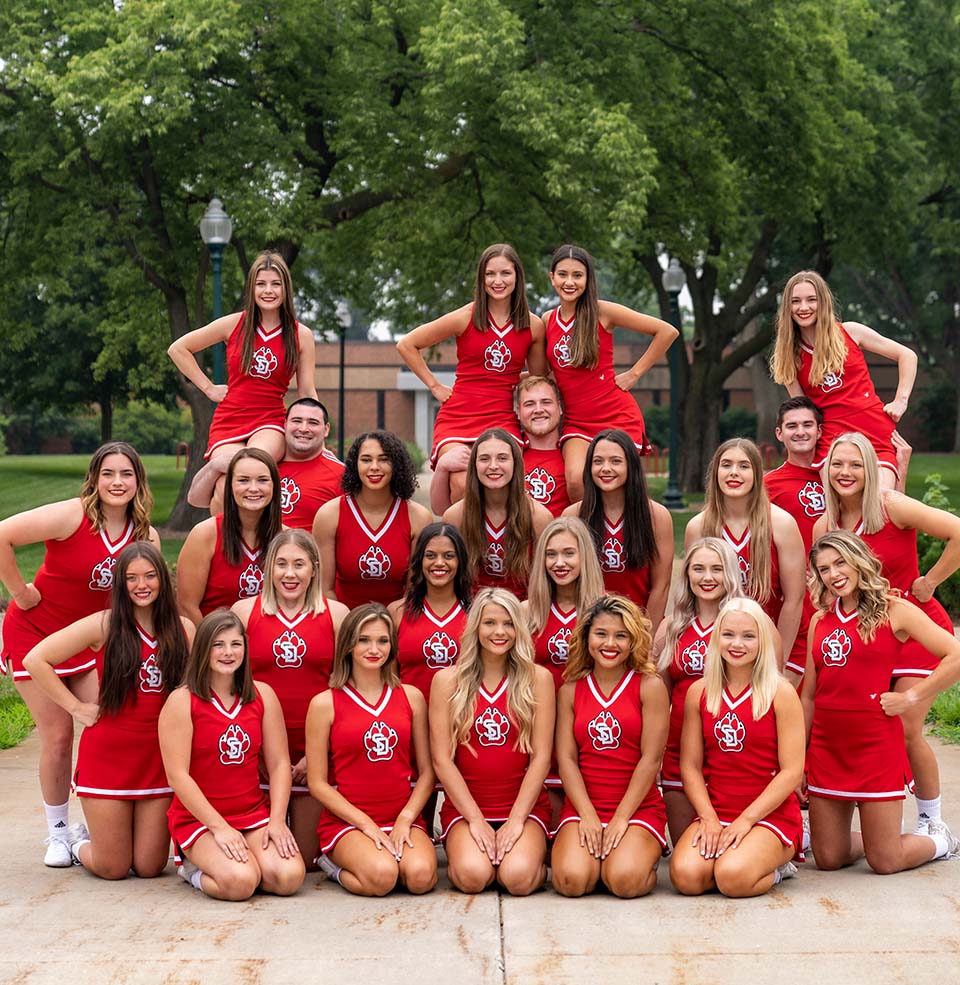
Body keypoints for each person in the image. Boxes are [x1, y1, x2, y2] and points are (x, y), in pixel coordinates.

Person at [0, 441, 159, 866]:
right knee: (58, 733)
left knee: (106, 720)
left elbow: (151, 598)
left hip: (88, 644)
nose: (117, 482)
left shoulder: (147, 537)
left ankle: (94, 816)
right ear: (94, 479)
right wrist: (21, 592)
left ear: (138, 482)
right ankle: (56, 831)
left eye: (126, 474)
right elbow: (3, 535)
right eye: (108, 473)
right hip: (36, 635)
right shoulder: (72, 515)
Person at [813, 432, 960, 832]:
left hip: (911, 629)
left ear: (870, 469)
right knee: (859, 719)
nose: (846, 472)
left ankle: (932, 822)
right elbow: (823, 592)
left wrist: (930, 581)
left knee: (908, 725)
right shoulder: (825, 524)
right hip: (864, 638)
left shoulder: (891, 506)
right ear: (826, 470)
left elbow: (957, 531)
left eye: (856, 464)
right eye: (837, 464)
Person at [22, 543, 193, 879]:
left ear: (163, 579)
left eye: (149, 576)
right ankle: (77, 843)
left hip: (158, 758)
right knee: (112, 868)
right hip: (109, 756)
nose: (141, 585)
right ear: (120, 584)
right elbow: (36, 660)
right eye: (131, 578)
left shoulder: (183, 629)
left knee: (149, 866)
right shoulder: (104, 624)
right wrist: (76, 707)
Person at [804, 531, 960, 873]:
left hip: (875, 746)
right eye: (824, 568)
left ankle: (940, 840)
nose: (834, 574)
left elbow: (954, 655)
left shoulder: (896, 610)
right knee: (828, 858)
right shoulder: (819, 620)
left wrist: (911, 696)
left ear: (859, 561)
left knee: (885, 862)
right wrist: (801, 753)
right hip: (827, 747)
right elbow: (810, 695)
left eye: (840, 562)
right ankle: (871, 835)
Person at [159, 610, 306, 900]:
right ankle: (192, 870)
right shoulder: (182, 701)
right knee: (240, 883)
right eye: (218, 645)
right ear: (203, 649)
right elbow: (178, 776)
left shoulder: (261, 695)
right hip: (200, 820)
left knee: (288, 878)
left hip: (251, 813)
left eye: (235, 644)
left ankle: (247, 862)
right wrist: (220, 829)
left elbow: (278, 765)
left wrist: (276, 821)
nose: (228, 653)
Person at [669, 598, 805, 897]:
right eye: (728, 635)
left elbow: (792, 771)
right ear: (716, 638)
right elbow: (690, 766)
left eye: (748, 636)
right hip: (718, 809)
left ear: (763, 641)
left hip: (768, 815)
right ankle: (734, 857)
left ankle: (780, 866)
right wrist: (708, 817)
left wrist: (746, 821)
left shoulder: (780, 692)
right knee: (686, 878)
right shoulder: (700, 692)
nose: (737, 644)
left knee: (733, 878)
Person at [396, 243, 547, 507]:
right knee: (461, 484)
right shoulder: (465, 317)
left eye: (505, 273)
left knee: (505, 485)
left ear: (517, 276)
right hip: (459, 417)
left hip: (502, 417)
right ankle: (466, 546)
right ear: (481, 278)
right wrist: (435, 386)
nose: (497, 281)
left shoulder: (532, 325)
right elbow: (407, 344)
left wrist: (511, 378)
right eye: (490, 274)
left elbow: (538, 379)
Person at [168, 250, 318, 514]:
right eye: (261, 284)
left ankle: (260, 546)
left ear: (286, 289)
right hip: (230, 418)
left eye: (275, 284)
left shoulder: (300, 334)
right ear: (252, 288)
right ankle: (227, 550)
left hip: (270, 420)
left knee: (252, 469)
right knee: (224, 488)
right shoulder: (235, 324)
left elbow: (306, 390)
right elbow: (178, 349)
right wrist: (209, 388)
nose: (268, 290)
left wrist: (318, 435)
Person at [233, 529, 348, 866]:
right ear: (268, 569)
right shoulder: (243, 613)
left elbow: (347, 690)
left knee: (308, 859)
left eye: (299, 564)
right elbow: (229, 689)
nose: (289, 573)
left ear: (315, 568)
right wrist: (252, 751)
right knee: (265, 856)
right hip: (257, 752)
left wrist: (317, 755)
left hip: (313, 752)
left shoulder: (337, 615)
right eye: (280, 564)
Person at [305, 603, 437, 896]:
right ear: (348, 644)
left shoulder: (411, 697)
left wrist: (406, 818)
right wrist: (365, 824)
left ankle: (387, 854)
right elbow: (317, 783)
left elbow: (428, 772)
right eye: (363, 639)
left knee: (420, 878)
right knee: (382, 877)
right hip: (349, 821)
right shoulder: (324, 703)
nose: (373, 648)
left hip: (401, 815)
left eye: (382, 640)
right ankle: (332, 865)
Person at [430, 588, 554, 895]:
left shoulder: (538, 679)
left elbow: (541, 758)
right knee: (473, 877)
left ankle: (530, 861)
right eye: (489, 623)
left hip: (523, 807)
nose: (499, 632)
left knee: (517, 879)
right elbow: (442, 761)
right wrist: (474, 820)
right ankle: (483, 858)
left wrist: (516, 821)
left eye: (508, 623)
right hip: (466, 808)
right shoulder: (447, 681)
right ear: (475, 628)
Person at [551, 595, 669, 899]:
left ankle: (632, 858)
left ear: (633, 640)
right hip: (585, 804)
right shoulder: (570, 690)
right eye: (601, 634)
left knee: (625, 881)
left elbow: (650, 759)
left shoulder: (649, 686)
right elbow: (566, 760)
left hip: (636, 807)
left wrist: (621, 818)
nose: (610, 644)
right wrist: (587, 814)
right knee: (569, 881)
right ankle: (600, 861)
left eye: (621, 636)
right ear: (586, 636)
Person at [544, 244, 678, 502]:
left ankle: (626, 541)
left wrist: (634, 373)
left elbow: (667, 331)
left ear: (587, 279)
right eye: (563, 274)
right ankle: (586, 542)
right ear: (552, 277)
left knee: (622, 492)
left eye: (577, 275)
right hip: (576, 422)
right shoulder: (548, 319)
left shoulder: (603, 311)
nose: (569, 282)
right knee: (575, 481)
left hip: (616, 414)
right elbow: (547, 372)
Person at [770, 270, 917, 490]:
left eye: (812, 300)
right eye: (795, 301)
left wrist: (900, 400)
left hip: (873, 427)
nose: (803, 307)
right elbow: (803, 409)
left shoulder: (850, 332)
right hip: (832, 436)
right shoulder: (789, 355)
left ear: (823, 302)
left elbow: (907, 355)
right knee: (839, 511)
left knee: (883, 503)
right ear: (787, 308)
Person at [685, 438, 805, 674]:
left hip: (772, 642)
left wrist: (776, 659)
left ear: (757, 475)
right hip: (720, 646)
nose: (734, 473)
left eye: (743, 466)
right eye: (726, 465)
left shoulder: (781, 523)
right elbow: (693, 598)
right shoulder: (698, 527)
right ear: (715, 472)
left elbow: (794, 600)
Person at [654, 537, 744, 845]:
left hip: (731, 748)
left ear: (730, 573)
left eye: (717, 569)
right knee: (687, 848)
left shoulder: (749, 622)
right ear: (687, 574)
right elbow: (658, 699)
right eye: (699, 569)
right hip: (680, 748)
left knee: (730, 847)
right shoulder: (670, 627)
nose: (707, 578)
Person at [522, 516, 605, 825]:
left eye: (569, 553)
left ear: (585, 556)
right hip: (537, 734)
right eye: (551, 554)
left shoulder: (607, 611)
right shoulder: (524, 612)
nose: (559, 563)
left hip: (589, 735)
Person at [564, 429, 673, 630]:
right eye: (598, 461)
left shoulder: (657, 516)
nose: (605, 468)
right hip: (588, 626)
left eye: (615, 461)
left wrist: (646, 637)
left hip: (639, 625)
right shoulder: (573, 516)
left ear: (630, 466)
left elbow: (661, 586)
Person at [313, 430, 432, 610]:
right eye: (366, 460)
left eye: (384, 459)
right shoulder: (329, 514)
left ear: (397, 465)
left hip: (396, 622)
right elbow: (325, 591)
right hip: (343, 622)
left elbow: (413, 593)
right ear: (354, 465)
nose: (374, 466)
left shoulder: (418, 517)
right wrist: (347, 627)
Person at [429, 375, 570, 518]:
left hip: (553, 536)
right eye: (529, 404)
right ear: (518, 412)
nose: (538, 409)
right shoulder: (498, 453)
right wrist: (442, 467)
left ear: (559, 407)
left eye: (546, 402)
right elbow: (441, 510)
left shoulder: (573, 457)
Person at [176, 448, 282, 626]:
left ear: (275, 486)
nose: (253, 488)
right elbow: (187, 606)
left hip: (269, 647)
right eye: (243, 480)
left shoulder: (286, 537)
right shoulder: (205, 535)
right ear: (230, 486)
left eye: (263, 480)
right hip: (215, 646)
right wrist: (212, 646)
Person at [443, 429, 553, 600]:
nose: (493, 466)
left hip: (523, 611)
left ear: (515, 464)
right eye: (484, 459)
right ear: (474, 465)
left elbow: (542, 584)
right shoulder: (455, 516)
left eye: (502, 458)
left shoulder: (538, 517)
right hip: (470, 610)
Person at [763, 396, 828, 681]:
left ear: (819, 431)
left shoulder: (840, 476)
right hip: (796, 598)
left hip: (837, 588)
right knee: (792, 682)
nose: (800, 431)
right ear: (779, 433)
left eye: (807, 425)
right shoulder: (768, 485)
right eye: (791, 426)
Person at [389, 523, 471, 702]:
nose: (439, 563)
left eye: (449, 556)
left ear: (460, 561)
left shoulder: (476, 613)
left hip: (462, 719)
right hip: (410, 717)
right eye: (430, 556)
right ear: (420, 560)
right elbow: (389, 678)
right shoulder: (397, 612)